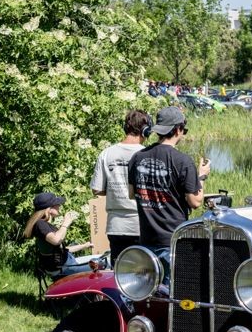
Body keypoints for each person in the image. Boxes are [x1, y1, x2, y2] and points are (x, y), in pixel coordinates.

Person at [128, 105, 210, 253]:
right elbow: (196, 202)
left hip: (146, 240)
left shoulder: (137, 157)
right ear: (178, 129)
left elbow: (131, 194)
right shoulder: (183, 161)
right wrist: (202, 176)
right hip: (174, 239)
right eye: (183, 129)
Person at [90, 109, 150, 257]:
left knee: (119, 274)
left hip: (116, 226)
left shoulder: (106, 153)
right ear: (146, 131)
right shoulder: (148, 154)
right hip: (142, 224)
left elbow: (97, 190)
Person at [24, 191, 94, 278]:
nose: (59, 206)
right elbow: (56, 241)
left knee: (99, 258)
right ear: (49, 209)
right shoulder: (40, 224)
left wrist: (84, 245)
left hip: (67, 264)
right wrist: (65, 223)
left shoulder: (45, 225)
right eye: (57, 204)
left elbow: (62, 250)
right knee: (105, 264)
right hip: (64, 269)